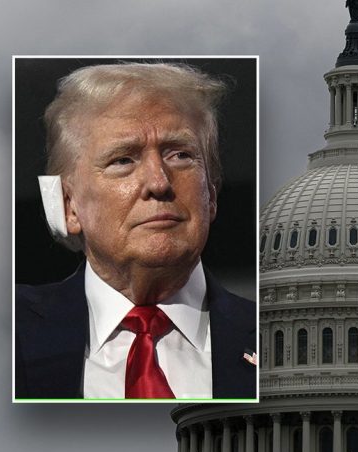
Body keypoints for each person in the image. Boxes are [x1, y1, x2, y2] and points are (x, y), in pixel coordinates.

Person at [15, 61, 257, 400]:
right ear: (69, 207)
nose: (159, 183)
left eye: (180, 155)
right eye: (123, 160)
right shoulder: (7, 334)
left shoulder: (276, 338)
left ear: (211, 194)